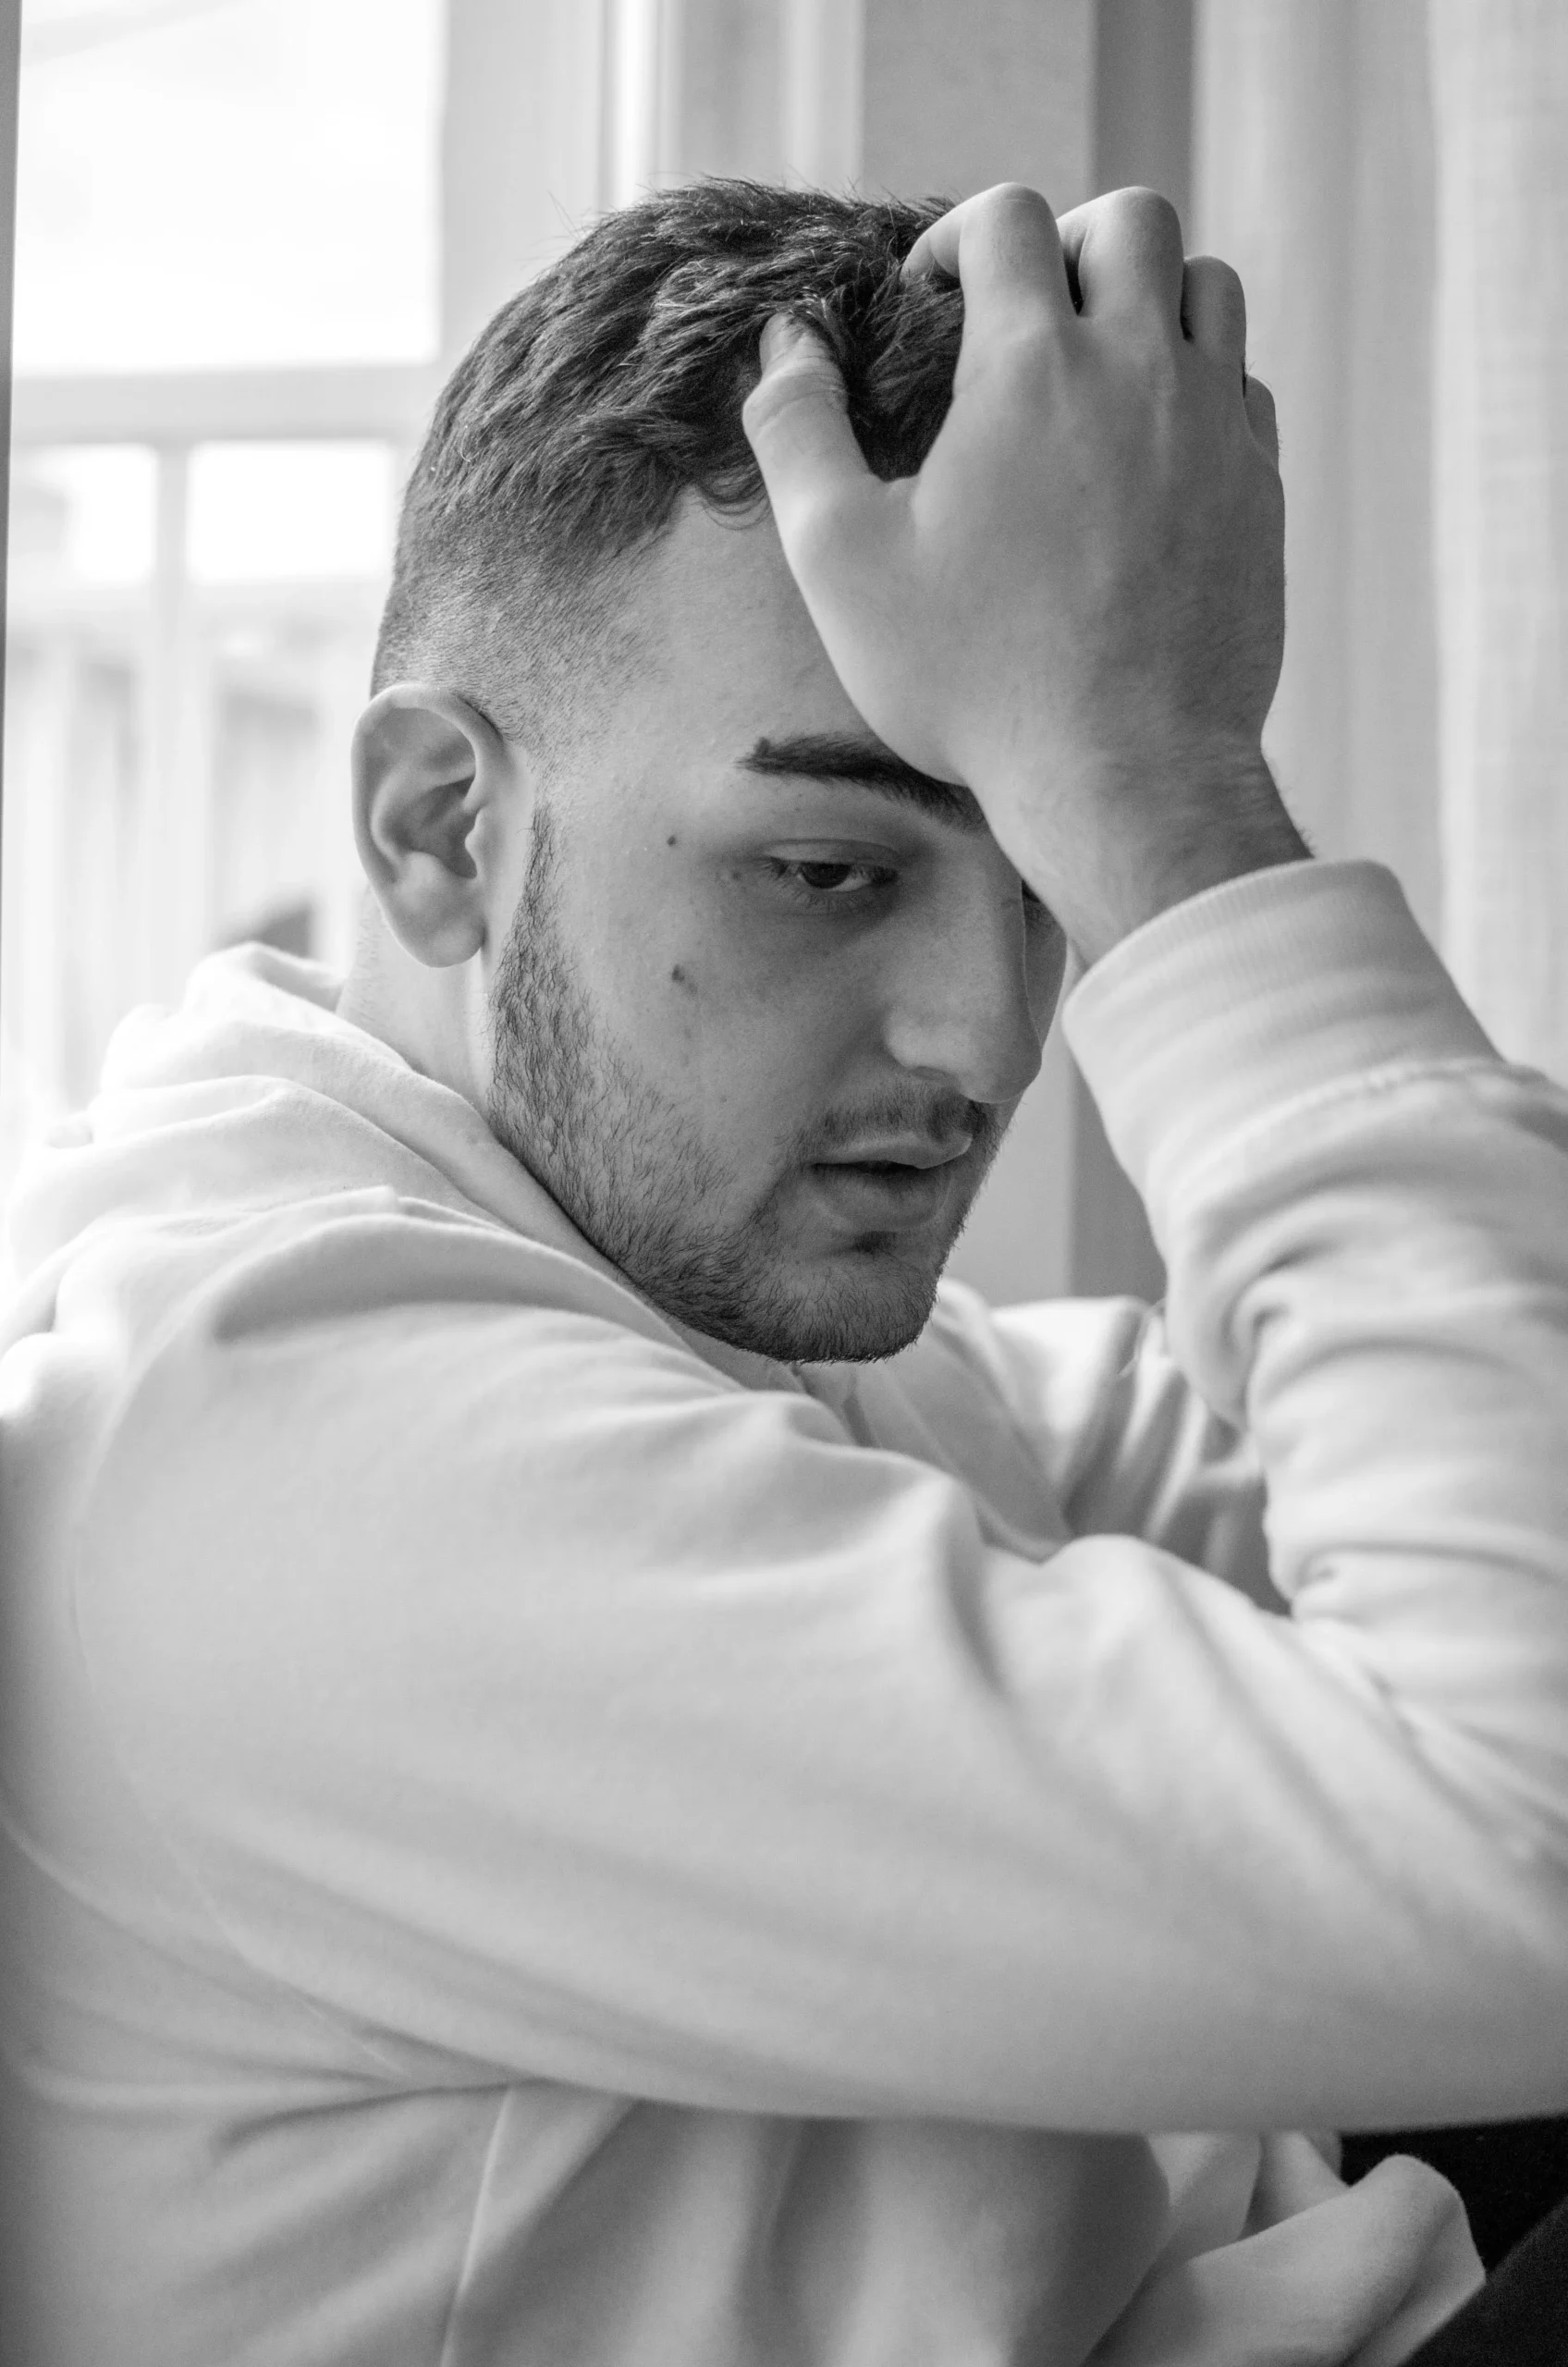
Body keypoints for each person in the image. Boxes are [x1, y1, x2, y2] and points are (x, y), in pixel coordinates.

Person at [2, 175, 1566, 2367]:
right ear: (443, 826)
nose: (990, 1040)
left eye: (1045, 874)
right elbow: (1533, 1844)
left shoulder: (635, 1281)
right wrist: (1160, 793)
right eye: (826, 869)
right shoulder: (281, 1449)